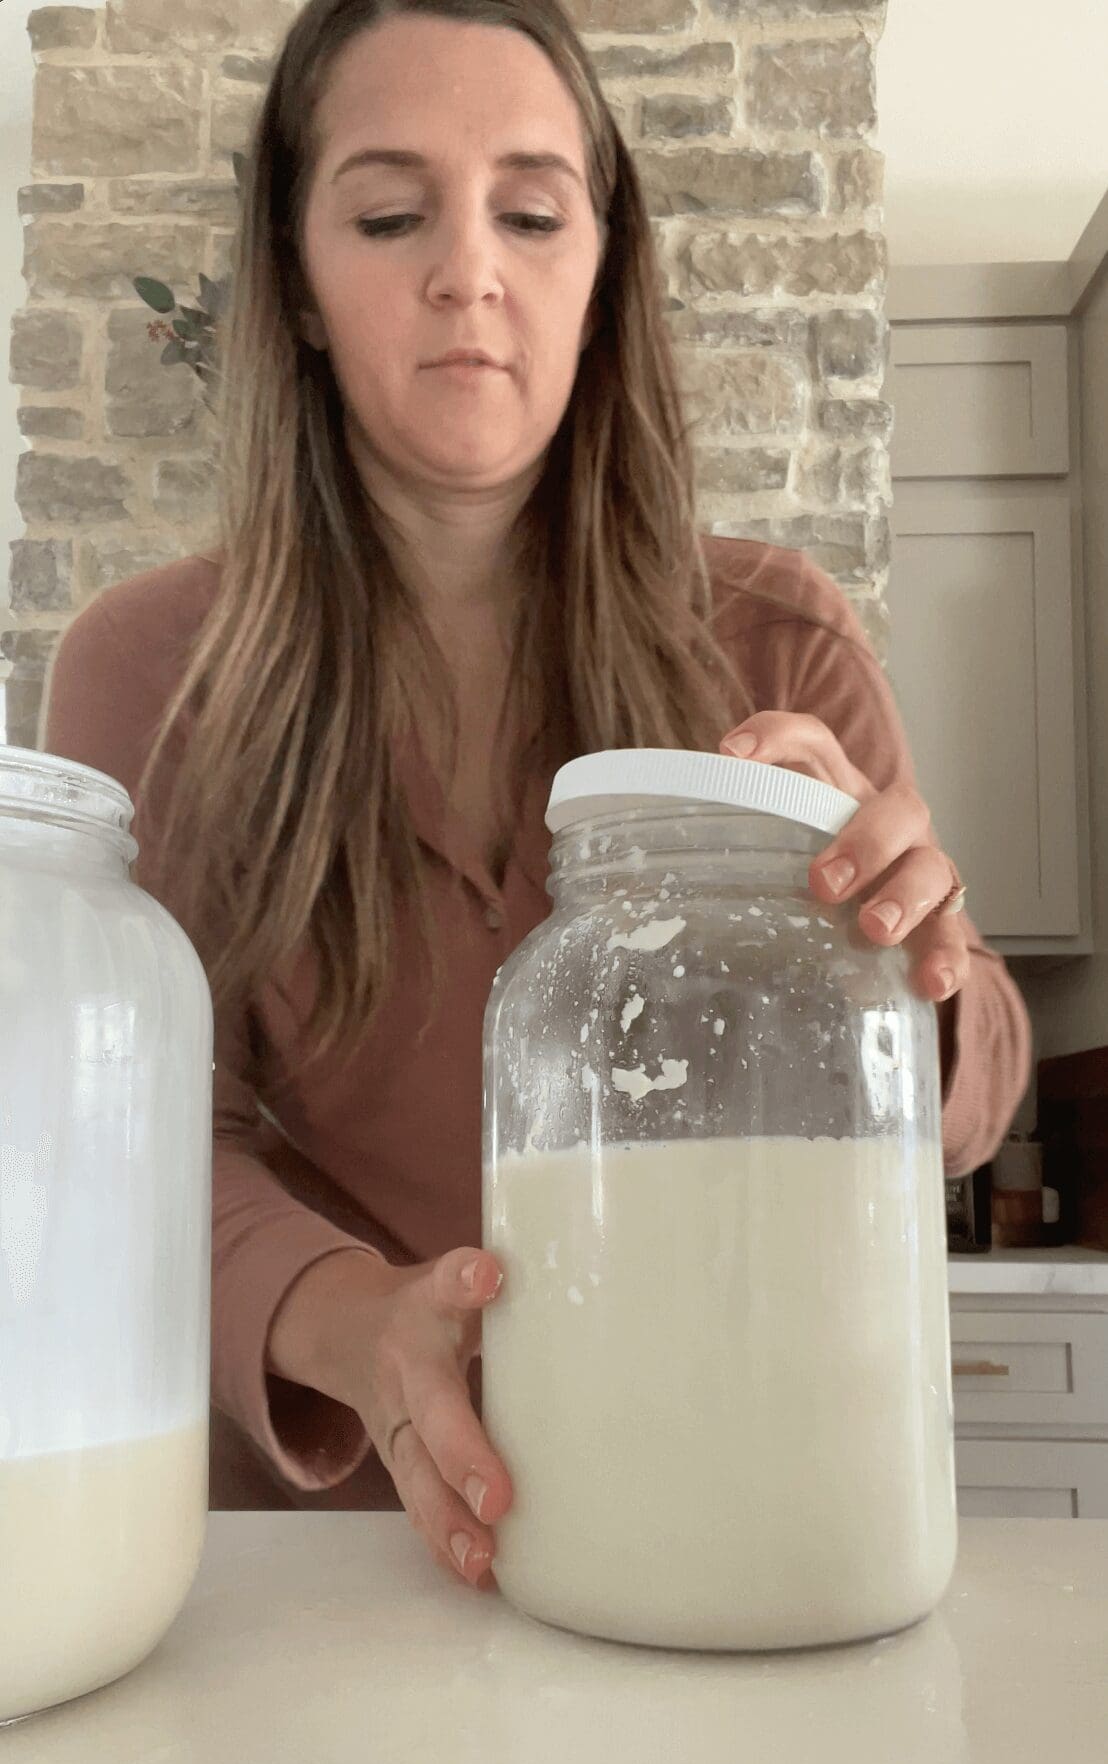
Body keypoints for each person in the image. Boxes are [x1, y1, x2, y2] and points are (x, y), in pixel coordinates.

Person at [42, 0, 1031, 1592]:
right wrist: (354, 1321)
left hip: (724, 1532)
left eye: (528, 210)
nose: (468, 274)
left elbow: (963, 1106)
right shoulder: (145, 671)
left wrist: (915, 959)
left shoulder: (779, 641)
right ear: (294, 280)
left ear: (599, 264)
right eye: (387, 214)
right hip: (315, 1580)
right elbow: (134, 1132)